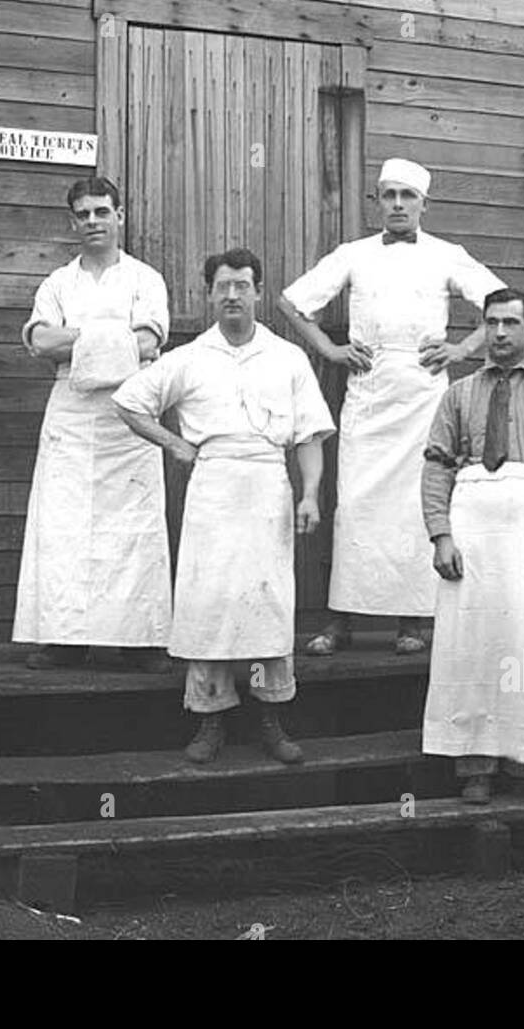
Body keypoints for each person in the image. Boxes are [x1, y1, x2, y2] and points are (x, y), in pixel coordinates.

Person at [113, 248, 335, 764]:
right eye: (223, 287)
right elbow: (128, 402)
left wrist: (309, 493)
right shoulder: (189, 358)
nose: (232, 295)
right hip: (212, 492)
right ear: (208, 293)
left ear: (258, 291)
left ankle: (269, 719)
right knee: (209, 603)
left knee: (267, 604)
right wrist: (173, 444)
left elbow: (309, 435)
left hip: (266, 490)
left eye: (242, 285)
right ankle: (210, 720)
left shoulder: (287, 357)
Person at [278, 158, 505, 656]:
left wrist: (463, 350)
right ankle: (342, 618)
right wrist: (330, 350)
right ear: (378, 202)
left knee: (416, 503)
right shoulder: (354, 254)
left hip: (424, 396)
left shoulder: (448, 255)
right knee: (357, 505)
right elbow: (291, 303)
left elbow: (501, 304)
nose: (398, 204)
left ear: (425, 203)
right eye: (389, 195)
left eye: (408, 196)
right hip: (369, 392)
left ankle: (412, 621)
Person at [420, 288, 524, 804]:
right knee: (469, 645)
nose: (498, 334)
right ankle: (473, 767)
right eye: (491, 323)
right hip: (472, 531)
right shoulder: (458, 394)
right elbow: (436, 463)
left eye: (510, 323)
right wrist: (441, 533)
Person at [13, 177, 173, 671]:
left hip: (130, 417)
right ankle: (64, 639)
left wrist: (76, 338)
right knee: (64, 525)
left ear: (120, 216)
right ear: (72, 222)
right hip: (71, 413)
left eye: (102, 212)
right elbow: (40, 342)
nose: (93, 222)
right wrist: (110, 337)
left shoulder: (145, 279)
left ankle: (139, 640)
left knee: (133, 525)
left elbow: (148, 344)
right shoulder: (58, 283)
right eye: (83, 215)